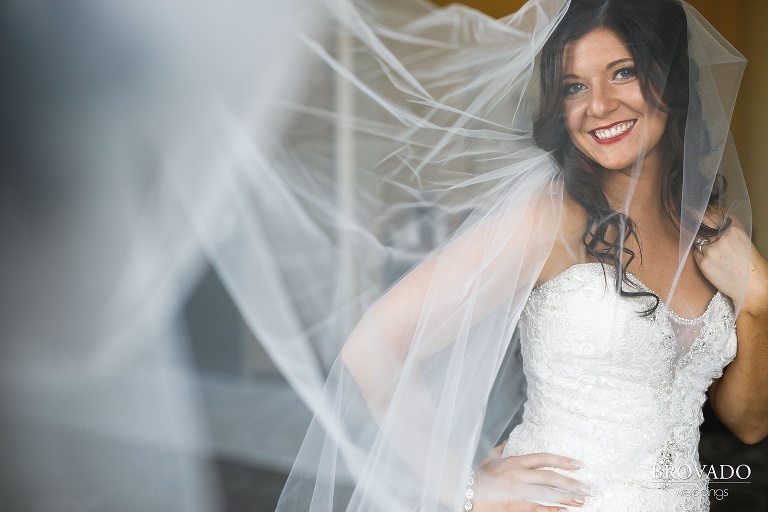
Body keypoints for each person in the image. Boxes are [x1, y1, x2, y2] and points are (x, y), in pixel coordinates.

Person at [269, 1, 768, 511]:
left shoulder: (712, 231)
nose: (598, 105)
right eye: (575, 86)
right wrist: (462, 486)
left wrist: (759, 302)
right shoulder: (548, 219)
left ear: (674, 82)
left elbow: (751, 425)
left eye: (624, 73)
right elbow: (373, 346)